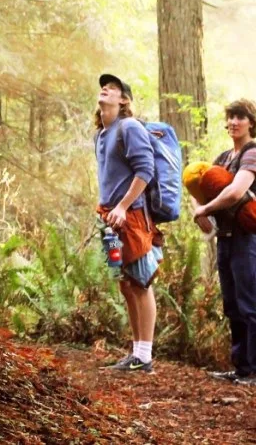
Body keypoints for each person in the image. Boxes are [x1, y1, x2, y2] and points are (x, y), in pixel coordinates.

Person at [192, 99, 256, 387]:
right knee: (233, 304)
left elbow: (236, 191)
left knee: (252, 302)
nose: (233, 122)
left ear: (251, 122)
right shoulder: (223, 157)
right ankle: (242, 368)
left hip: (247, 238)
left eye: (240, 117)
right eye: (230, 117)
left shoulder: (254, 155)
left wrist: (205, 209)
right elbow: (197, 182)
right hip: (226, 238)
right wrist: (197, 208)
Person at [94, 73, 164, 373]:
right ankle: (135, 352)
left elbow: (145, 170)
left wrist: (123, 206)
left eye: (114, 88)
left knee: (141, 281)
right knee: (125, 283)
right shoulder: (100, 134)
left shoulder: (129, 127)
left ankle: (145, 356)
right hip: (110, 220)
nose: (106, 89)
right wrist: (110, 210)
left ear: (124, 100)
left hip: (132, 217)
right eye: (103, 87)